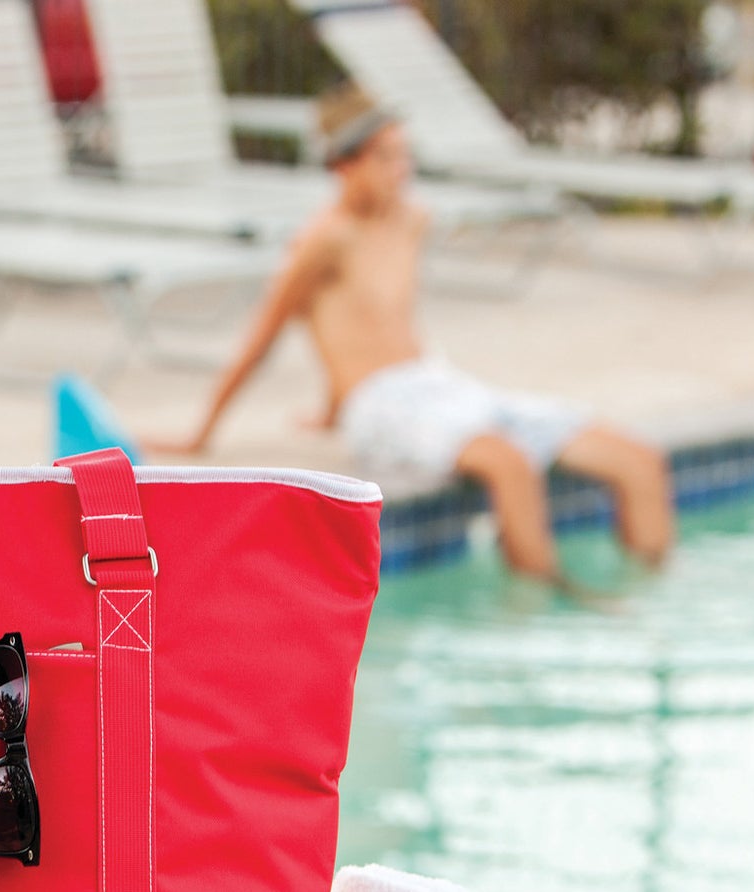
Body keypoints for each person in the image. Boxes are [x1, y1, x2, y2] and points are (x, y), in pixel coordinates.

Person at [151, 89, 675, 582]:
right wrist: (202, 434)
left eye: (405, 156)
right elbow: (263, 338)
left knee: (639, 462)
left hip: (437, 382)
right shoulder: (323, 240)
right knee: (510, 466)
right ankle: (554, 610)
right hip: (380, 403)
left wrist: (327, 410)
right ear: (342, 164)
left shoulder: (411, 221)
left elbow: (366, 323)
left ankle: (651, 604)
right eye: (385, 158)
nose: (400, 170)